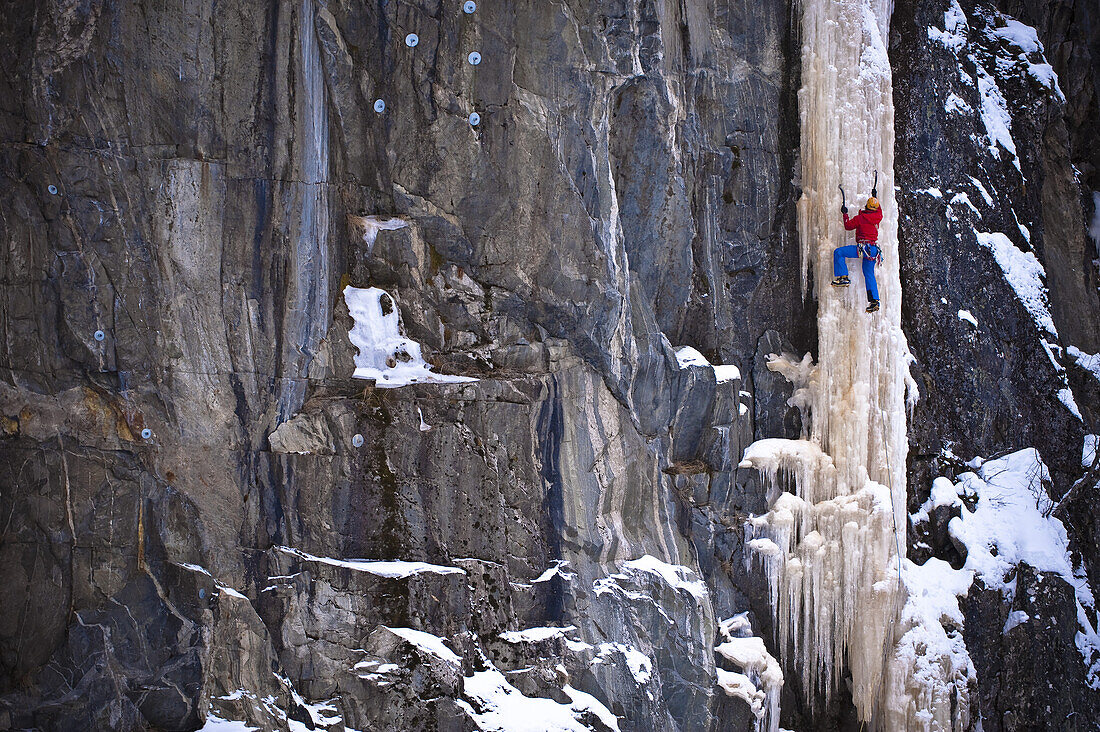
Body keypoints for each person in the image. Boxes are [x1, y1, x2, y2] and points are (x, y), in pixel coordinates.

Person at [831, 196, 883, 312]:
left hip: (863, 248)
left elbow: (848, 226)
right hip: (873, 250)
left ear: (866, 206)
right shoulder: (878, 216)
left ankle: (843, 277)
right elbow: (879, 209)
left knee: (838, 252)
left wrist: (845, 214)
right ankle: (874, 301)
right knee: (869, 274)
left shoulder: (860, 218)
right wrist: (875, 196)